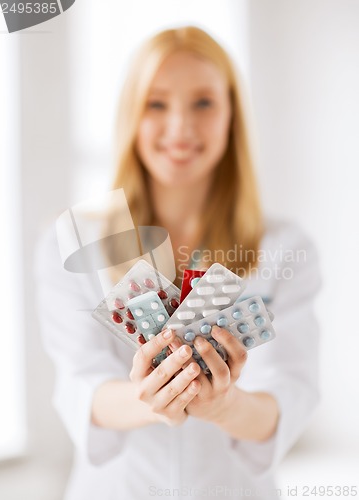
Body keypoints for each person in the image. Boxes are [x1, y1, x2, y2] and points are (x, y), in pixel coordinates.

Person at [36, 26, 321, 500]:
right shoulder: (71, 242)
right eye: (157, 103)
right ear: (131, 115)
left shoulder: (285, 246)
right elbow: (80, 386)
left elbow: (290, 395)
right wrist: (151, 400)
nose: (180, 128)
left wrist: (223, 406)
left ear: (232, 115)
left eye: (204, 102)